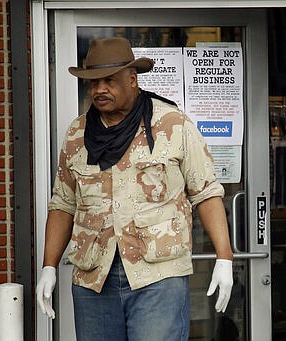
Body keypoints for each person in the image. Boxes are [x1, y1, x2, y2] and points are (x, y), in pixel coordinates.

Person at [36, 37, 234, 341]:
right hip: (94, 278)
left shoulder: (173, 124)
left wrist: (224, 257)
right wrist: (48, 266)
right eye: (93, 82)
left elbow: (206, 193)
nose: (99, 89)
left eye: (109, 81)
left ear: (132, 80)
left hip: (158, 277)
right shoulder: (78, 134)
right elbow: (63, 203)